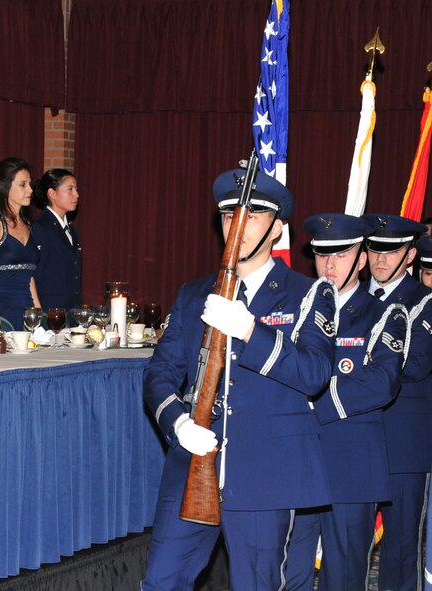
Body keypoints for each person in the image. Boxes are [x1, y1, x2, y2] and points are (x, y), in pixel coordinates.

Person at [141, 167, 337, 590]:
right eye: (230, 216)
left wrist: (251, 331)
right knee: (161, 581)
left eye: (251, 216)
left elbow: (315, 374)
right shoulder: (193, 294)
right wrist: (177, 422)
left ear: (277, 229)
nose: (237, 226)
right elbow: (160, 372)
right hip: (192, 465)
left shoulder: (308, 294)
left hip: (266, 471)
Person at [284, 214, 407, 591]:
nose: (329, 264)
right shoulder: (296, 311)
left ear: (362, 258)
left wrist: (313, 402)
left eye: (341, 254)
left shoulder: (383, 313)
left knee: (344, 578)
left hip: (352, 468)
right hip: (298, 461)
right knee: (291, 573)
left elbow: (383, 381)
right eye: (322, 255)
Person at [361, 213, 432, 591]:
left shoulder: (424, 302)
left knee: (402, 550)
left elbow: (418, 364)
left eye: (391, 252)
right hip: (355, 438)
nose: (381, 259)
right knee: (349, 546)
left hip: (404, 442)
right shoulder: (351, 298)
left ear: (409, 255)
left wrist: (361, 359)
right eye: (374, 249)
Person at [0, 157, 41, 330]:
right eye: (23, 184)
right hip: (1, 313)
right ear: (5, 187)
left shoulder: (29, 226)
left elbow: (29, 277)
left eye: (30, 184)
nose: (30, 190)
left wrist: (39, 314)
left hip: (27, 312)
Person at [31, 168, 82, 311]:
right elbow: (35, 275)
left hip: (71, 310)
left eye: (76, 189)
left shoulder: (71, 229)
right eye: (70, 189)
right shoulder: (41, 227)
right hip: (51, 312)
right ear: (52, 193)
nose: (76, 195)